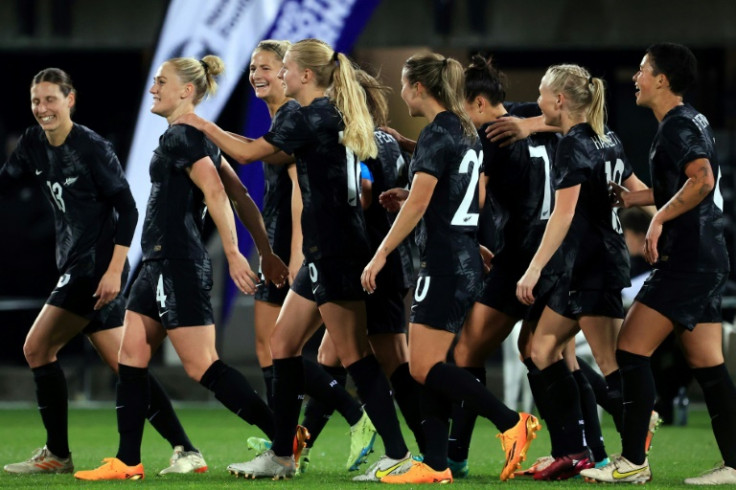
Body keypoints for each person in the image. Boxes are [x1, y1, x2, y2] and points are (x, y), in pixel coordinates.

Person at [175, 39, 411, 481]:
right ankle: (282, 455)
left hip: (337, 250)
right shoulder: (323, 116)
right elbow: (257, 148)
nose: (279, 75)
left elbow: (246, 154)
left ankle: (398, 453)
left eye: (283, 68)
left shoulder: (313, 115)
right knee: (282, 346)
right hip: (326, 251)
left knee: (355, 356)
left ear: (305, 76)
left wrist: (199, 124)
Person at [74, 54, 288, 481]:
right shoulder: (194, 135)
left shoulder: (183, 137)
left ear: (186, 91)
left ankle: (283, 438)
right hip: (156, 261)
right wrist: (263, 248)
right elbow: (241, 193)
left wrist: (235, 252)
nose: (153, 88)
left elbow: (217, 192)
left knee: (201, 365)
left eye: (160, 81)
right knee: (131, 357)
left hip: (177, 262)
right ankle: (127, 460)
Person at [0, 68, 206, 476]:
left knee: (37, 348)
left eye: (51, 100)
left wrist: (114, 271)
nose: (43, 109)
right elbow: (5, 182)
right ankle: (187, 449)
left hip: (94, 266)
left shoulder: (92, 147)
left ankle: (58, 454)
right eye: (36, 101)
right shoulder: (32, 144)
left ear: (70, 100)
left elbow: (127, 209)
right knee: (126, 366)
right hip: (76, 263)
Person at [361, 52, 541, 484]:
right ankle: (437, 465)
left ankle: (510, 422)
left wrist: (382, 252)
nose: (402, 92)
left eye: (404, 84)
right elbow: (465, 200)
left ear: (419, 88)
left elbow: (421, 201)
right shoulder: (466, 131)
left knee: (423, 368)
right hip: (463, 258)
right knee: (433, 364)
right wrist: (468, 242)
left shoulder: (435, 134)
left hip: (443, 265)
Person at [581, 43, 736, 485]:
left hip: (687, 259)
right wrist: (638, 198)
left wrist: (657, 221)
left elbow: (702, 179)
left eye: (644, 70)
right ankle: (734, 464)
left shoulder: (675, 126)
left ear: (663, 79)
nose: (636, 77)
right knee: (706, 360)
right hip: (707, 255)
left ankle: (632, 462)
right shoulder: (690, 118)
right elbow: (686, 181)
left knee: (630, 349)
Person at [242, 39, 377, 474]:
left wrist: (298, 254)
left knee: (288, 347)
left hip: (302, 247)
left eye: (267, 67)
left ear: (293, 72)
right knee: (284, 346)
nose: (259, 74)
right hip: (293, 243)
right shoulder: (291, 116)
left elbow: (305, 195)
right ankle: (285, 440)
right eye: (253, 68)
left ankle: (335, 423)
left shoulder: (298, 118)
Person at [515, 63, 650, 479]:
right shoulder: (604, 136)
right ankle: (577, 451)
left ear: (559, 100)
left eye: (541, 92)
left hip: (596, 265)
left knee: (610, 364)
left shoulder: (575, 143)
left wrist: (532, 270)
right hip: (587, 266)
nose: (537, 100)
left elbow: (563, 213)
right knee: (539, 350)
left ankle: (635, 457)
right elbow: (634, 185)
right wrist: (661, 215)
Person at [304, 68, 425, 465]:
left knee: (389, 361)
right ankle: (298, 447)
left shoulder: (357, 142)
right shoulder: (388, 139)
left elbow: (366, 191)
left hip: (372, 261)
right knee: (330, 355)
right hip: (388, 262)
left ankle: (434, 452)